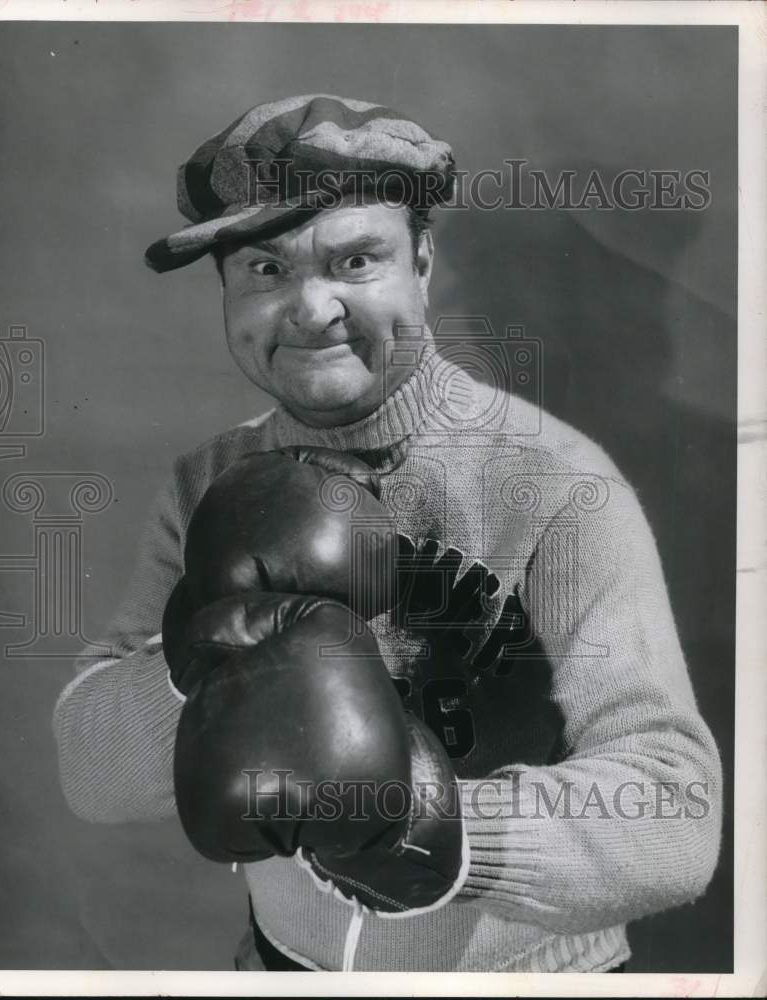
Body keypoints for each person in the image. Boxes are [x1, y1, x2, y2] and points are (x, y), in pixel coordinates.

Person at [53, 93, 722, 973]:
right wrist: (185, 667)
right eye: (263, 270)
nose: (309, 308)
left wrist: (439, 835)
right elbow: (90, 779)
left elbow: (677, 815)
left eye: (355, 260)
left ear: (423, 263)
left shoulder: (558, 485)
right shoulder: (207, 482)